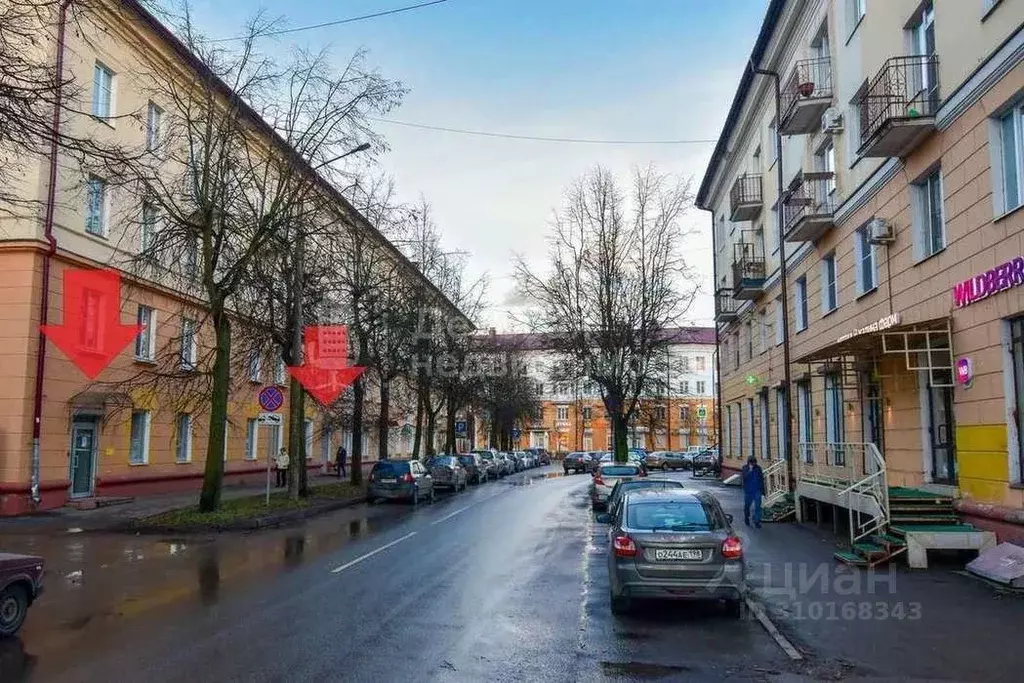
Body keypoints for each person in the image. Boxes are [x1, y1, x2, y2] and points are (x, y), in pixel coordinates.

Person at [741, 455, 765, 528]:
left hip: (757, 490)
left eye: (754, 462)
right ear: (749, 462)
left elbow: (761, 479)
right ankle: (746, 517)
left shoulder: (758, 468)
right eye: (752, 463)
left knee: (758, 506)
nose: (753, 464)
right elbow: (745, 477)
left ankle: (756, 521)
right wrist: (750, 470)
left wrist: (763, 490)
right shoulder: (745, 468)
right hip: (748, 491)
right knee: (747, 506)